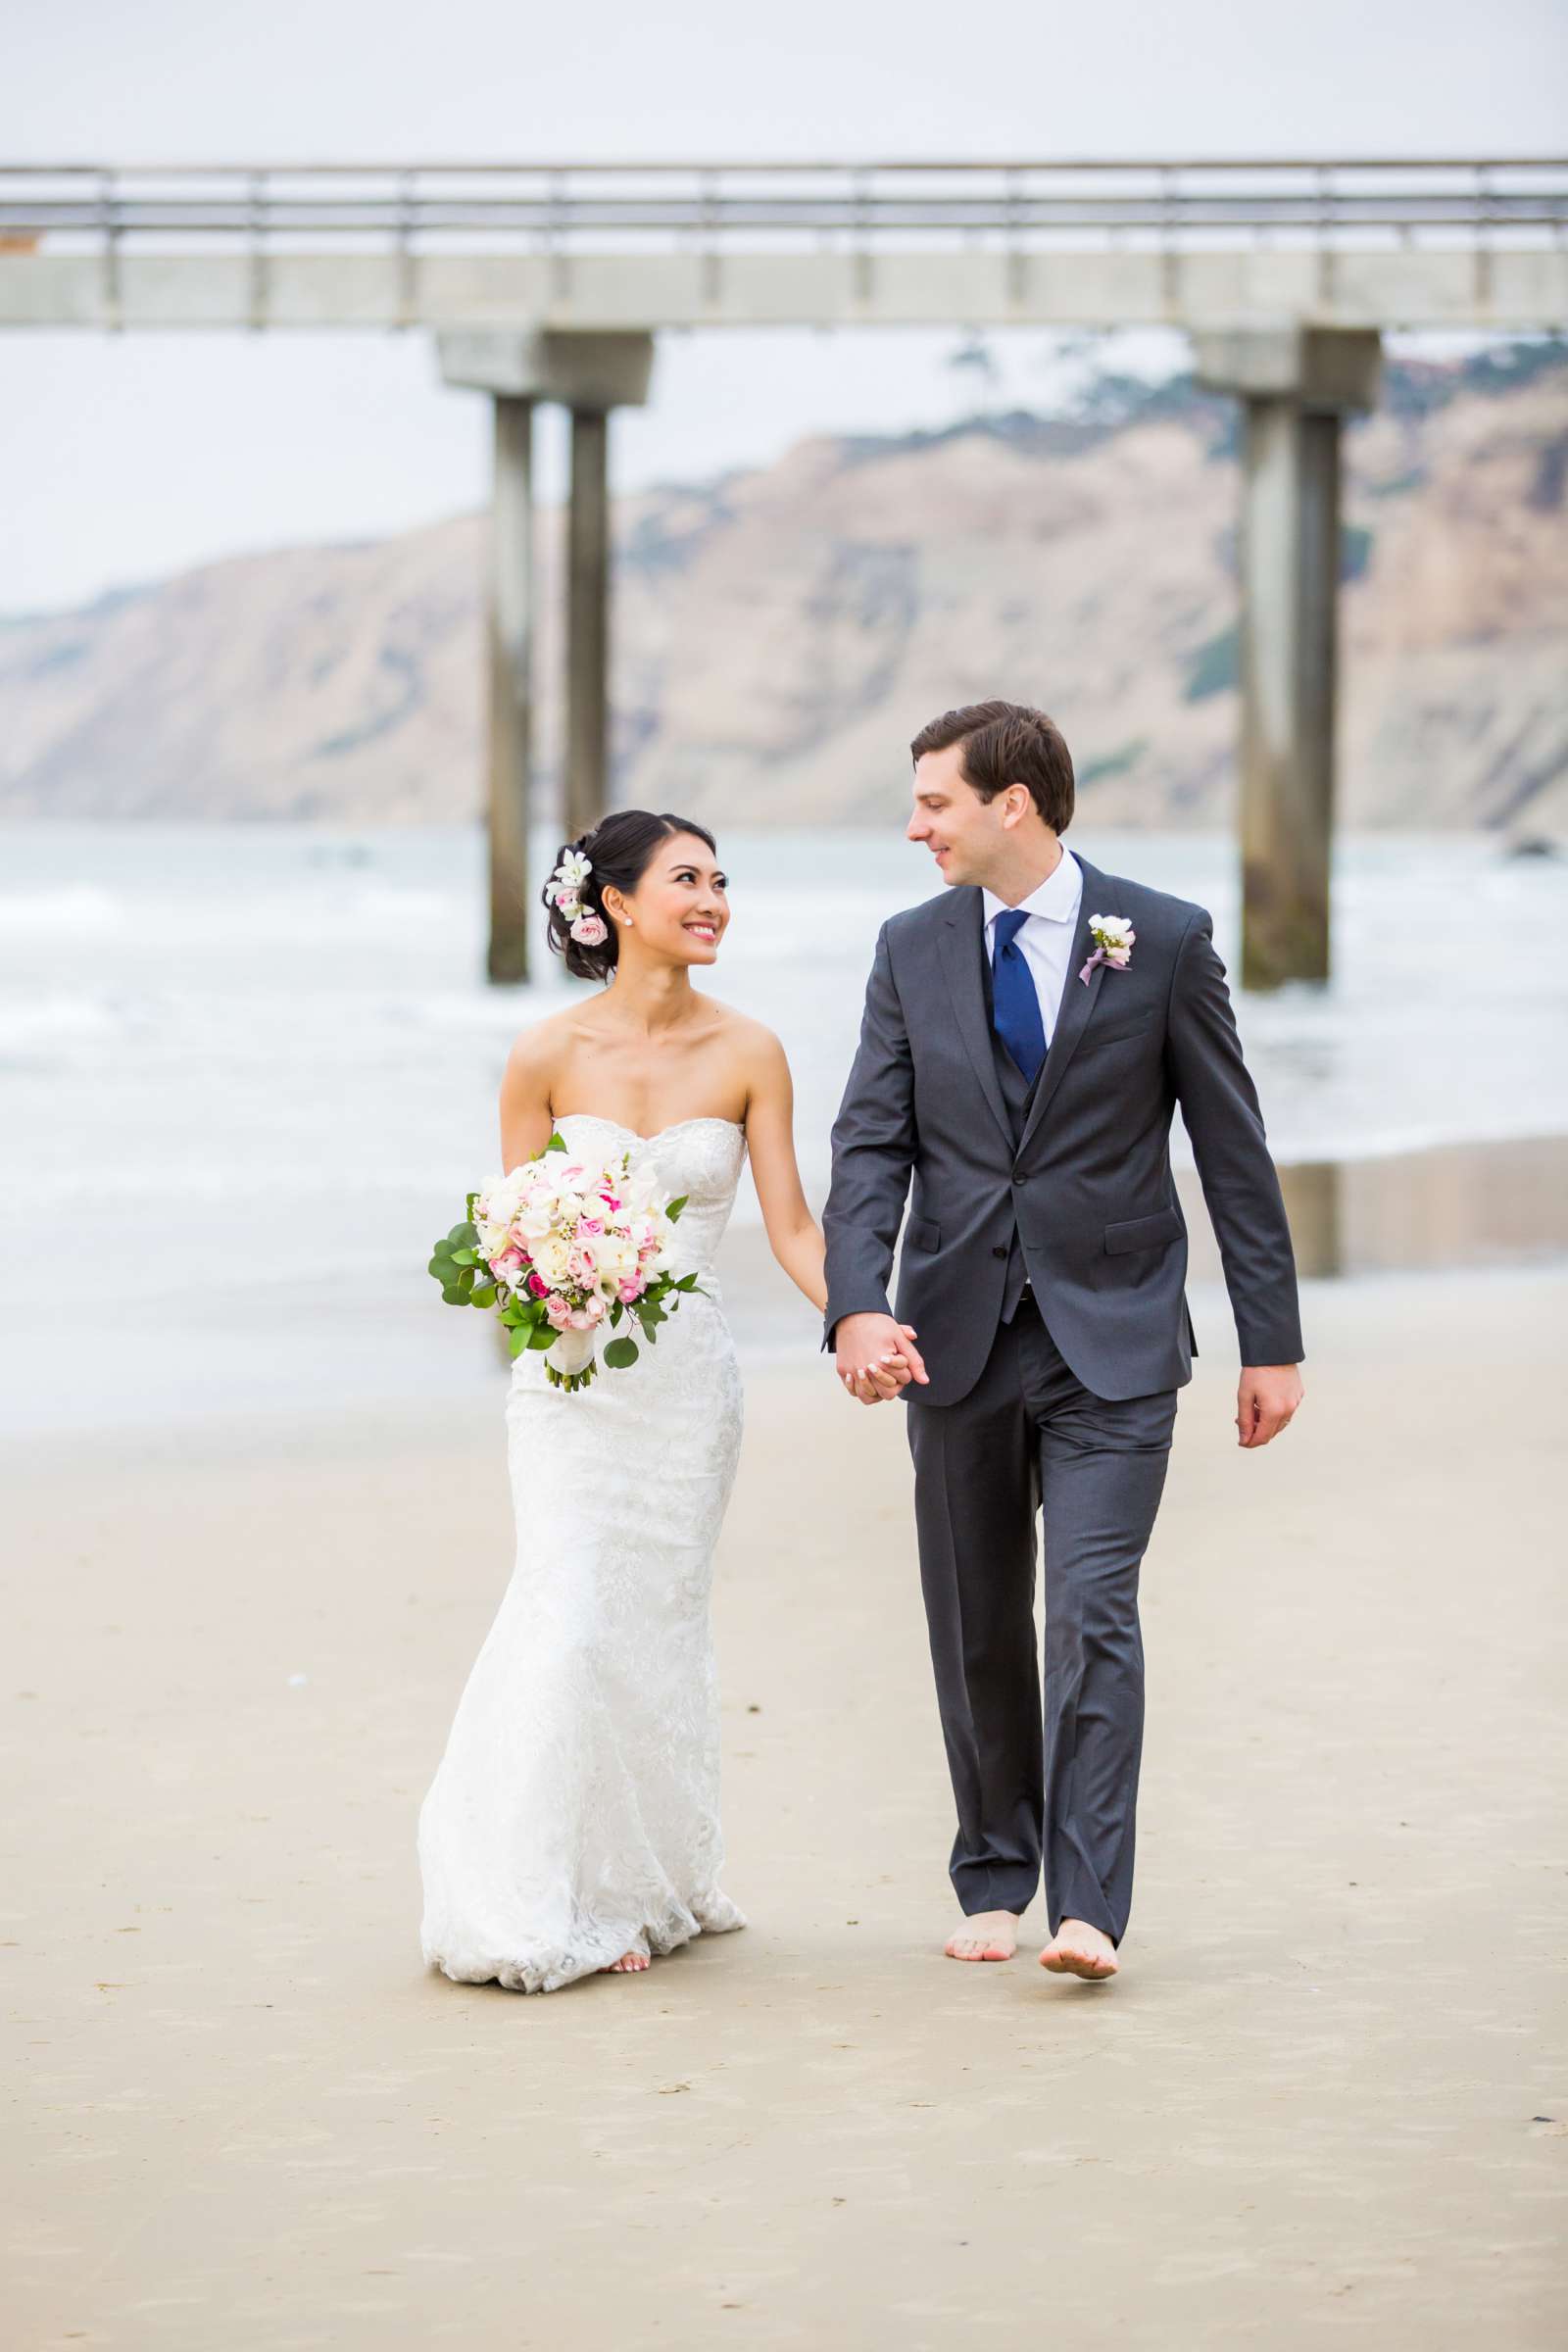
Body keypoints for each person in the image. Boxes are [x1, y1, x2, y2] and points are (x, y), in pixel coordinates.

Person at [823, 701, 1305, 1983]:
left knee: (1092, 1609)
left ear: (1011, 803)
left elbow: (1232, 1148)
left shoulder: (1160, 936)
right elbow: (872, 1142)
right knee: (977, 1614)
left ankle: (1090, 1908)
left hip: (1119, 1336)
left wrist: (1274, 1340)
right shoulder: (908, 948)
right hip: (955, 1336)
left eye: (934, 801)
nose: (915, 824)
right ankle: (994, 1873)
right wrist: (858, 1303)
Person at [417, 809, 865, 1992]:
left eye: (722, 880)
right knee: (565, 1609)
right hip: (569, 1384)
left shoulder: (751, 1051)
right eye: (687, 880)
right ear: (613, 902)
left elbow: (791, 1227)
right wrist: (551, 1280)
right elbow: (501, 1242)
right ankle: (528, 1894)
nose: (714, 899)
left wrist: (858, 1316)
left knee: (653, 1623)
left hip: (683, 1388)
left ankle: (641, 1880)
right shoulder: (543, 1056)